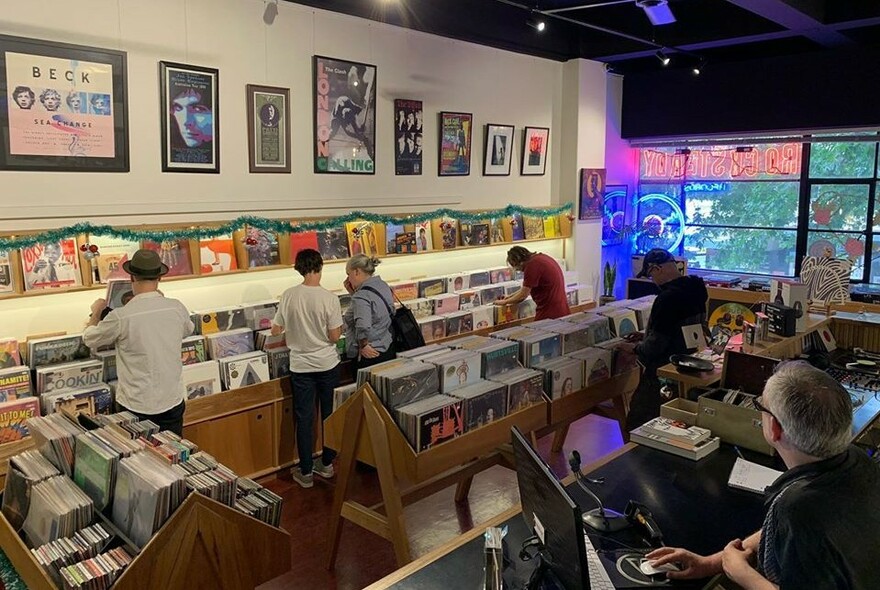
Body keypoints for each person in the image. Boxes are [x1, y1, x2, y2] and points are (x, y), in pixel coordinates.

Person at [646, 361, 880, 589]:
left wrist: (742, 574)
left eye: (760, 406)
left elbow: (794, 526)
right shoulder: (858, 459)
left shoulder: (797, 507)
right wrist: (709, 563)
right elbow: (783, 531)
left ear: (775, 428)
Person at [82, 249, 194, 435]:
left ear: (132, 277)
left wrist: (96, 312)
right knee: (173, 457)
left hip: (135, 404)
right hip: (171, 400)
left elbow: (90, 339)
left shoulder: (122, 316)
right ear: (160, 278)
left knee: (135, 460)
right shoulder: (176, 307)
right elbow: (187, 330)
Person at [271, 249, 343, 489]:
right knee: (329, 415)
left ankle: (305, 472)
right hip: (327, 363)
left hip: (300, 365)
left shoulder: (289, 296)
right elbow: (334, 337)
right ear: (320, 267)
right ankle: (327, 463)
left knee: (304, 417)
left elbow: (275, 330)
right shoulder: (329, 298)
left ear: (299, 269)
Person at [623, 248, 708, 431]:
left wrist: (634, 348)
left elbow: (656, 346)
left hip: (663, 373)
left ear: (656, 268)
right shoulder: (696, 288)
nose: (652, 281)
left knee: (639, 422)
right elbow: (682, 328)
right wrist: (646, 334)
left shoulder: (666, 298)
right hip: (692, 365)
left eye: (650, 275)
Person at [343, 254, 395, 370]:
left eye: (348, 274)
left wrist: (364, 345)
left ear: (356, 272)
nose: (347, 280)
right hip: (386, 345)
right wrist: (354, 293)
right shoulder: (383, 285)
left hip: (368, 353)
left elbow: (363, 325)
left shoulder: (361, 296)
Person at [494, 246, 569, 320]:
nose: (518, 270)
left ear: (519, 261)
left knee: (539, 331)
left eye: (515, 266)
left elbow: (523, 295)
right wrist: (510, 296)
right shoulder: (540, 258)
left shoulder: (532, 266)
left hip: (550, 312)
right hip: (561, 307)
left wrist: (505, 302)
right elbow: (527, 288)